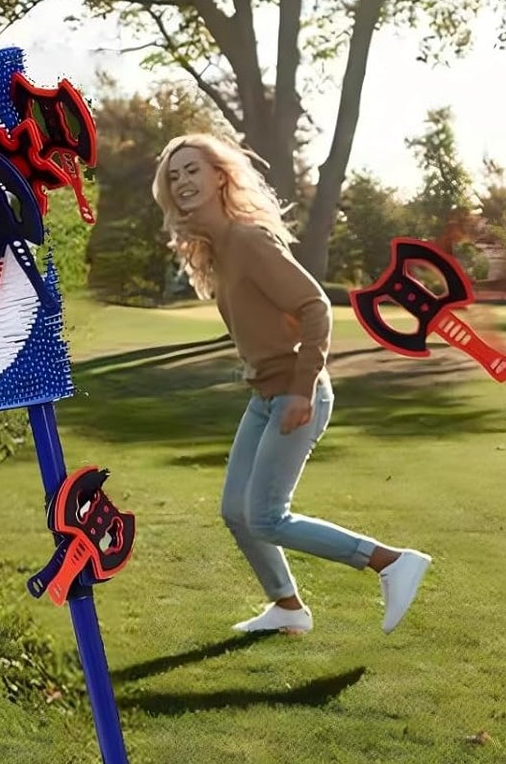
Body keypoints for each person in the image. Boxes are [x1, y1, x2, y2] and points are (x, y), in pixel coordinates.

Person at [152, 134, 430, 636]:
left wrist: (301, 389)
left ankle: (390, 561)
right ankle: (287, 606)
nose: (183, 181)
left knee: (266, 516)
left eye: (193, 170)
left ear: (220, 176)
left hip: (295, 392)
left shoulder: (247, 239)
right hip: (265, 395)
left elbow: (315, 307)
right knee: (236, 511)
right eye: (174, 176)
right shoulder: (219, 249)